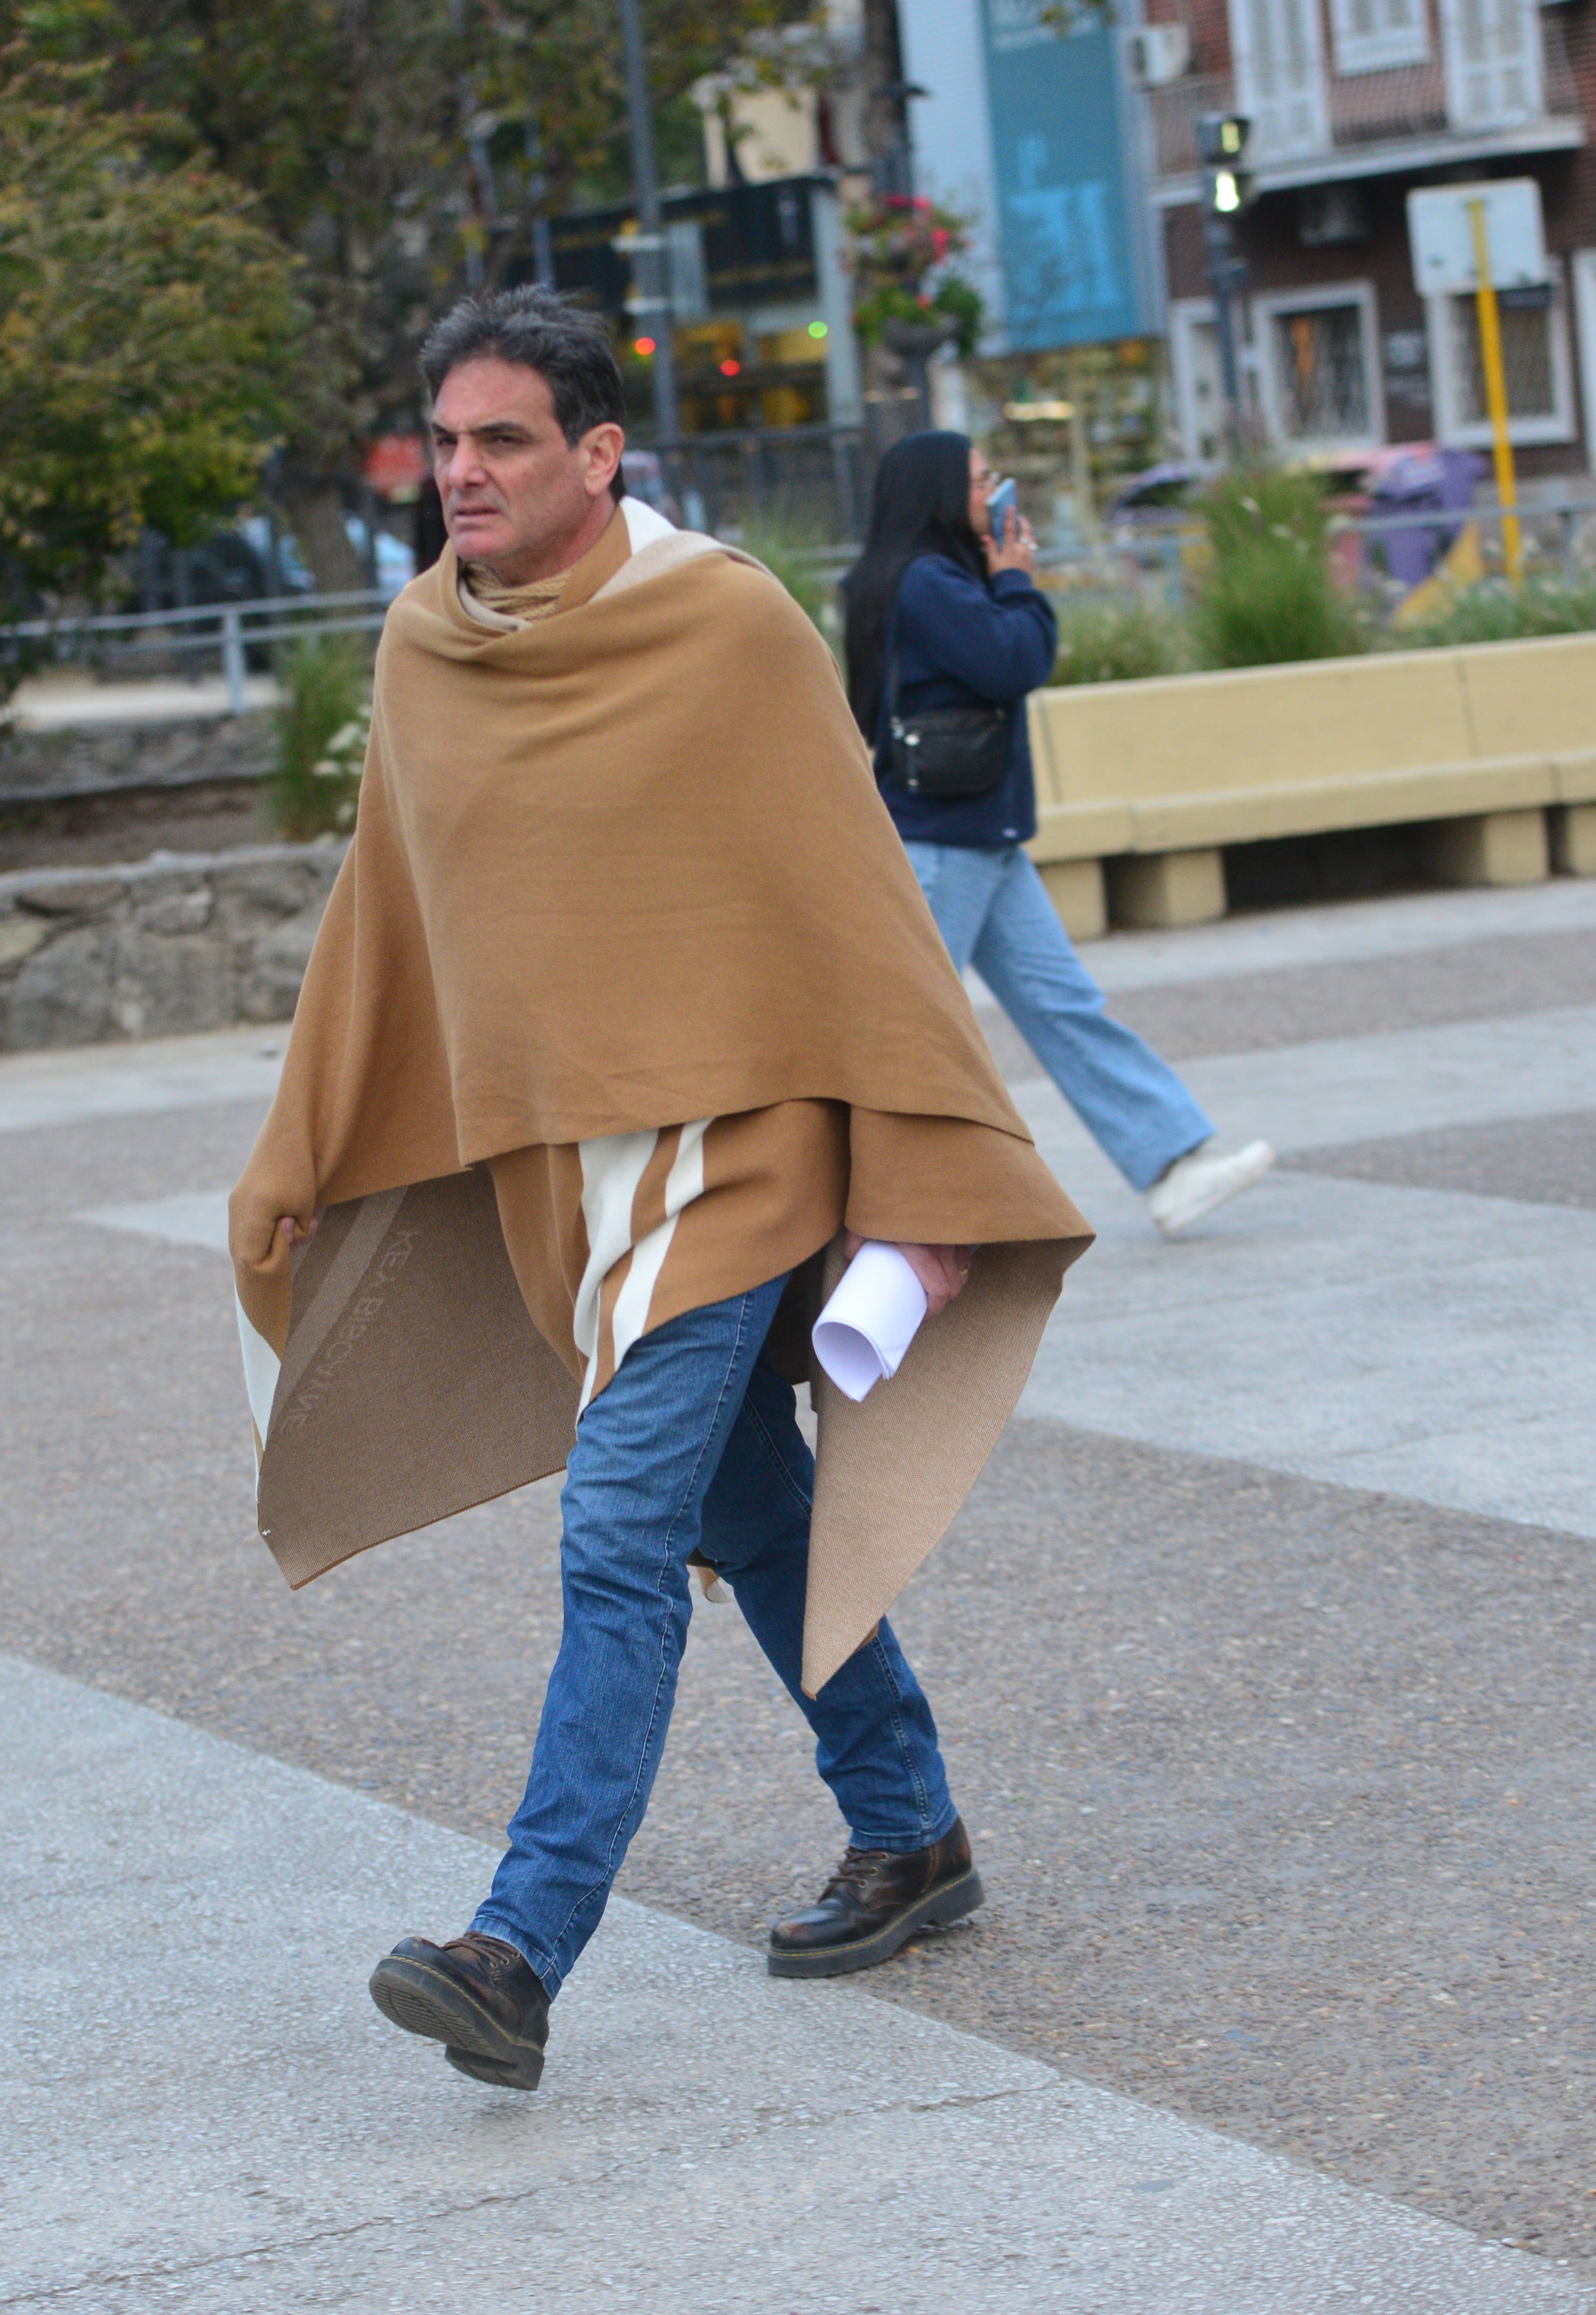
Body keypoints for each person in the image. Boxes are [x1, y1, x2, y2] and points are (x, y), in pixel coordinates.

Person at [229, 287, 1092, 2092]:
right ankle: (911, 1826)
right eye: (447, 443)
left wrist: (922, 1166)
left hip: (740, 1158)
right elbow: (384, 912)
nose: (462, 473)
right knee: (756, 1516)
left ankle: (516, 1952)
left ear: (598, 452)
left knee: (618, 1538)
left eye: (504, 442)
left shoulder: (727, 628)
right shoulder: (423, 648)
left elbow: (852, 900)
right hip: (570, 1179)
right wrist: (303, 1146)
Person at [837, 433, 1276, 1238]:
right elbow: (1014, 660)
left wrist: (998, 579)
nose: (994, 493)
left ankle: (1171, 1164)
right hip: (940, 841)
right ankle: (846, 1205)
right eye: (978, 481)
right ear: (939, 492)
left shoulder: (907, 578)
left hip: (979, 837)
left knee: (1063, 1005)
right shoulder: (927, 582)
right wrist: (1015, 582)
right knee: (907, 1038)